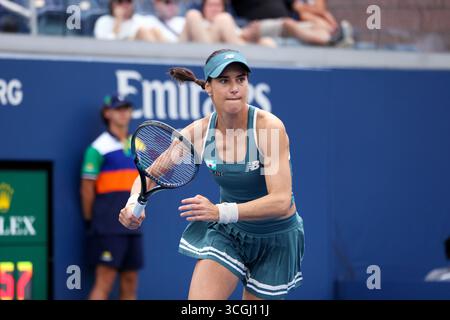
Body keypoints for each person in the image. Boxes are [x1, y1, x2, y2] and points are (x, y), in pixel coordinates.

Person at [119, 49, 305, 300]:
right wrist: (133, 204)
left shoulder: (268, 128)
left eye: (240, 79)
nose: (234, 88)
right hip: (230, 233)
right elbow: (150, 175)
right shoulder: (199, 132)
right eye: (224, 81)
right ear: (208, 87)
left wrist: (220, 212)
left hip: (276, 239)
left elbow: (281, 201)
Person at [81, 94, 143, 300]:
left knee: (130, 280)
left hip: (133, 223)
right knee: (104, 281)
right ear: (107, 113)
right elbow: (87, 188)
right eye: (118, 108)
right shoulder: (97, 148)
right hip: (107, 226)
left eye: (127, 108)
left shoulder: (137, 144)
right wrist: (92, 221)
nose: (124, 112)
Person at [231, 0, 353, 47]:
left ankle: (334, 38)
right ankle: (329, 42)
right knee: (288, 23)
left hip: (286, 26)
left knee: (318, 24)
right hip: (257, 26)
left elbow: (297, 6)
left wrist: (323, 15)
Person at [179, 0, 275, 47]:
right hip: (200, 51)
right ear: (203, 8)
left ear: (223, 8)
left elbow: (240, 37)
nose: (214, 9)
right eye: (211, 5)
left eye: (218, 5)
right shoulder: (195, 21)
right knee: (193, 14)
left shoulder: (228, 22)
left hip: (228, 55)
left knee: (268, 42)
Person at [94, 0, 165, 42]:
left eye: (128, 1)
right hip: (120, 56)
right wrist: (117, 22)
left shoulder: (144, 19)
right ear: (113, 4)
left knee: (155, 31)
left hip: (142, 54)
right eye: (120, 1)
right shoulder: (103, 21)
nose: (125, 5)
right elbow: (104, 48)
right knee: (142, 32)